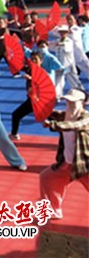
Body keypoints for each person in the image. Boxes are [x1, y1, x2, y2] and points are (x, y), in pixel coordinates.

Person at [39, 89, 89, 220]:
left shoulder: (86, 118)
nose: (70, 104)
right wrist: (36, 101)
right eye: (68, 101)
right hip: (67, 163)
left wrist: (53, 125)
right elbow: (48, 113)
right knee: (47, 177)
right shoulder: (64, 115)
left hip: (84, 164)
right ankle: (54, 210)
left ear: (82, 103)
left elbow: (74, 125)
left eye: (73, 102)